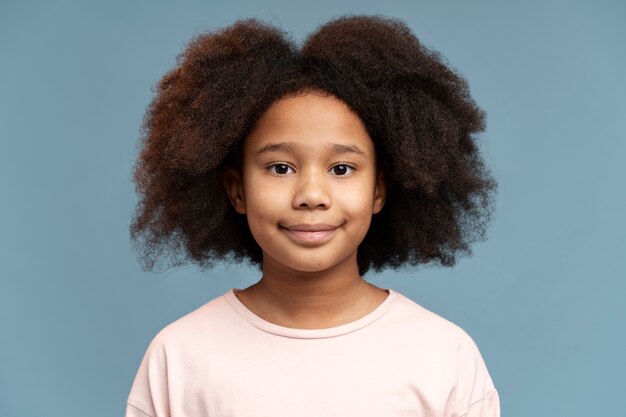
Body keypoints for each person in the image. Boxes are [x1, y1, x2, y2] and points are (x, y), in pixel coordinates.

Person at [125, 14, 500, 417]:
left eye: (341, 169)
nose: (311, 196)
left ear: (379, 189)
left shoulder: (443, 356)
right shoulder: (179, 357)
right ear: (237, 190)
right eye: (280, 168)